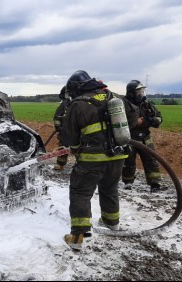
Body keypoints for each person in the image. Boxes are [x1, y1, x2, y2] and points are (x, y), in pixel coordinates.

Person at [60, 70, 129, 251]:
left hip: (92, 158)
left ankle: (77, 237)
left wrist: (75, 148)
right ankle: (111, 223)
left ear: (76, 89)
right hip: (118, 156)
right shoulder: (113, 97)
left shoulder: (78, 104)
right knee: (109, 188)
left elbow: (69, 138)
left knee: (80, 193)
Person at [121, 80, 166, 193]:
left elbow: (158, 116)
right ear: (131, 92)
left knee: (151, 160)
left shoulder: (146, 104)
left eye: (142, 91)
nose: (141, 94)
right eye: (138, 91)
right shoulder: (124, 104)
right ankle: (128, 182)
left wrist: (155, 120)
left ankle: (155, 183)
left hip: (145, 137)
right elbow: (120, 122)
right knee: (128, 161)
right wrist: (136, 122)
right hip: (130, 138)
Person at [53, 86, 70, 170]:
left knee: (63, 147)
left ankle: (61, 165)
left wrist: (58, 128)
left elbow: (56, 118)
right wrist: (59, 128)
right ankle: (61, 164)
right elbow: (57, 117)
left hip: (66, 132)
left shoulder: (65, 103)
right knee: (63, 148)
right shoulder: (65, 104)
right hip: (66, 131)